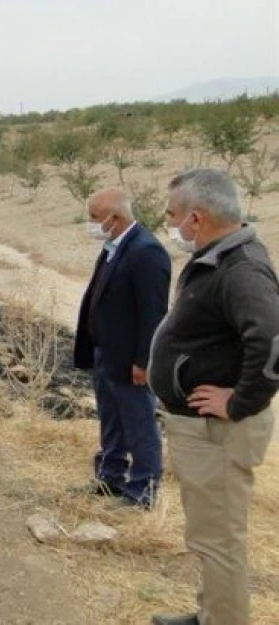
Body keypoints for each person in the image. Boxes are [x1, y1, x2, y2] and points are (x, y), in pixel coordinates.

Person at [147, 168, 278, 625]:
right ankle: (211, 615)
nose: (170, 223)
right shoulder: (221, 257)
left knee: (219, 541)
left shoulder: (242, 270)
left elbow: (273, 341)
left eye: (172, 215)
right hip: (204, 431)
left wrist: (239, 402)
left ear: (197, 219)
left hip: (218, 431)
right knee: (210, 534)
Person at [73, 187, 171, 509]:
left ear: (114, 218)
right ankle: (110, 477)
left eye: (94, 218)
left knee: (139, 421)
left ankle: (142, 489)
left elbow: (153, 313)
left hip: (131, 359)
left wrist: (144, 361)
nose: (90, 224)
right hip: (106, 352)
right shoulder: (113, 247)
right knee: (111, 418)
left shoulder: (146, 252)